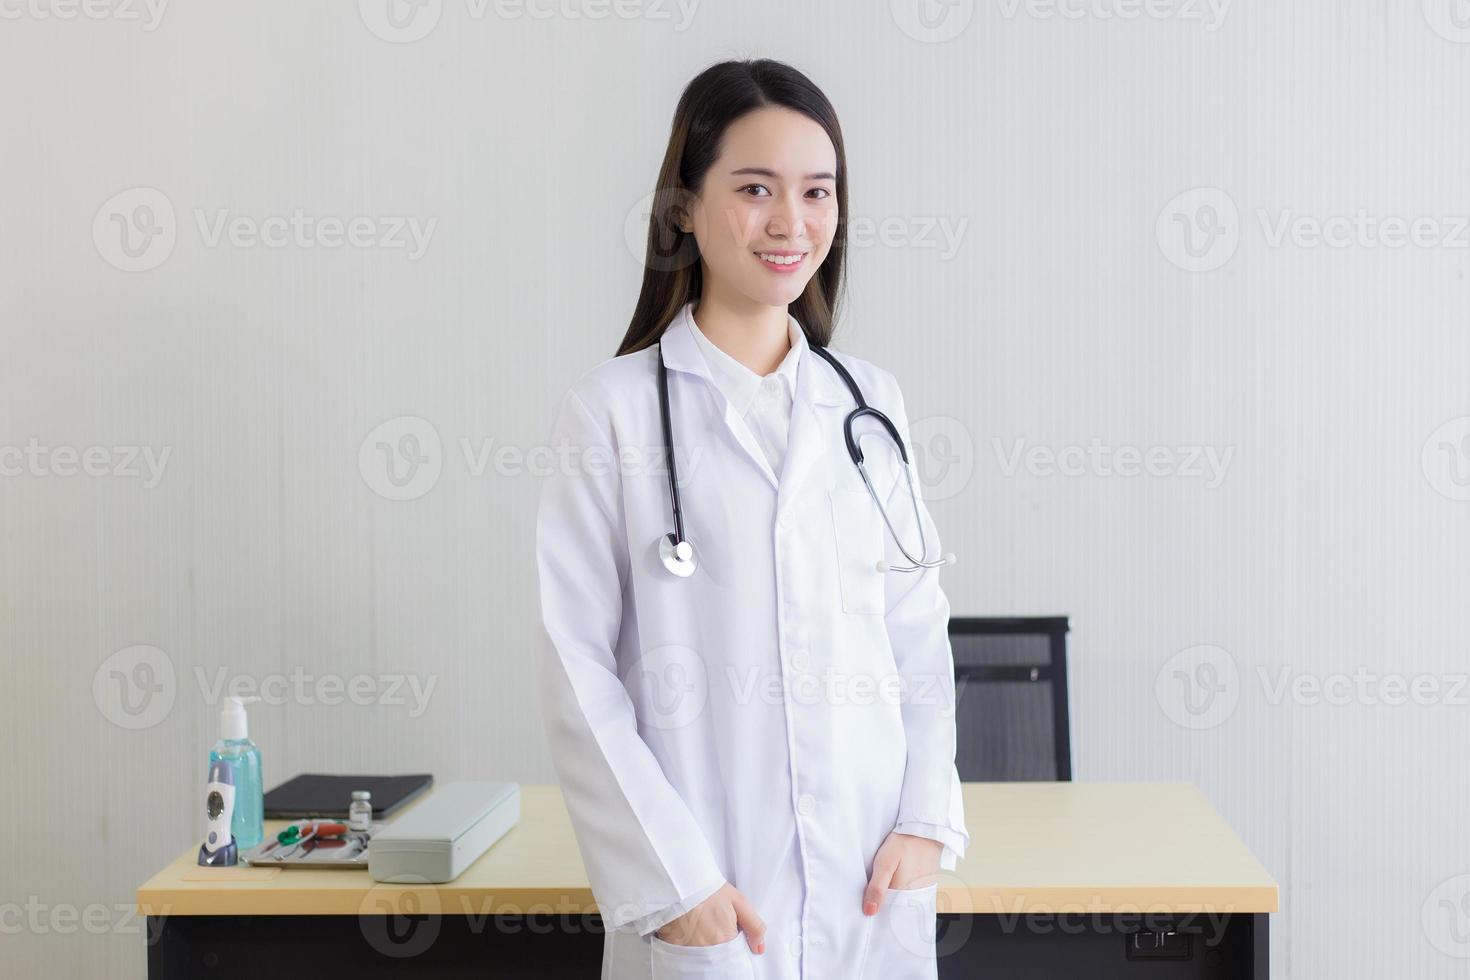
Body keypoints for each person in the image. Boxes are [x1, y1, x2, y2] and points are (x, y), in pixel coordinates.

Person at [535, 58, 968, 980]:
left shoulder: (869, 405)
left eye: (818, 192)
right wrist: (674, 883)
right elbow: (577, 674)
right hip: (712, 896)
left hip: (870, 885)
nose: (790, 222)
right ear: (685, 207)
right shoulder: (613, 412)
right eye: (755, 189)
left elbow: (915, 629)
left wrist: (927, 819)